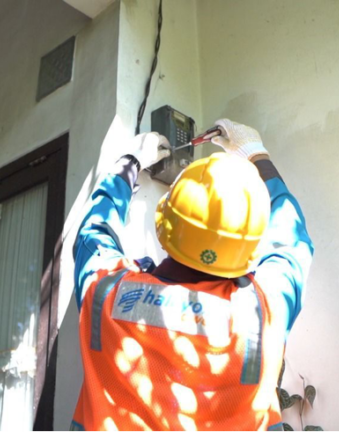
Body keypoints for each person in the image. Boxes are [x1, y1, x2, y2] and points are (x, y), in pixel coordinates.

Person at [71, 119, 313, 431]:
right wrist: (256, 153)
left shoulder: (106, 293)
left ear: (164, 225)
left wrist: (129, 163)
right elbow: (293, 240)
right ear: (251, 250)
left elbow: (94, 233)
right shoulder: (263, 311)